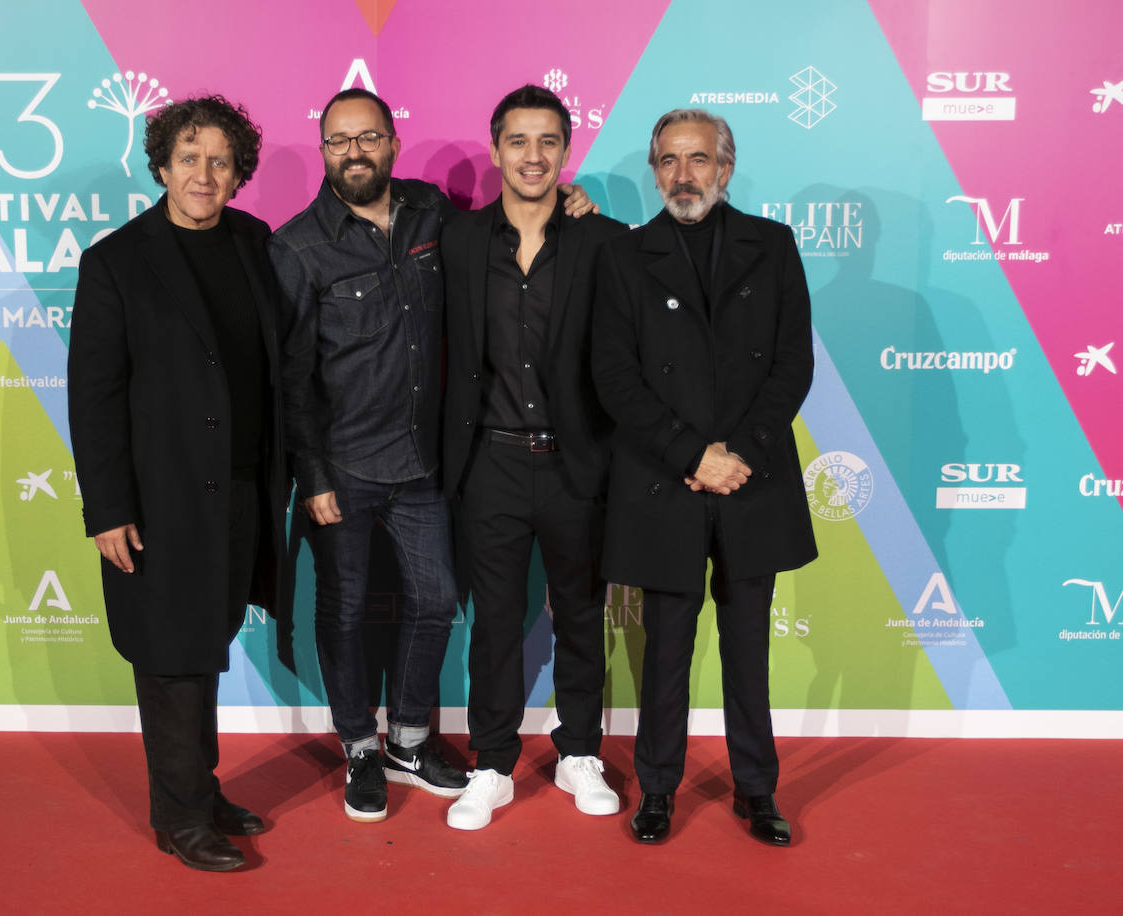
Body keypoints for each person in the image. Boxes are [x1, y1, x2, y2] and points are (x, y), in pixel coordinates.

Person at [269, 88, 596, 824]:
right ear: (324, 152)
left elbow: (518, 221)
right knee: (346, 610)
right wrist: (312, 476)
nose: (355, 151)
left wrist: (571, 206)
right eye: (339, 141)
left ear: (391, 141)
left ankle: (410, 739)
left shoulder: (433, 216)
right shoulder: (295, 246)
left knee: (438, 601)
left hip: (426, 464)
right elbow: (290, 378)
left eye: (370, 137)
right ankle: (359, 745)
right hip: (343, 469)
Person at [68, 95, 286, 871]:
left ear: (238, 174)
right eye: (189, 157)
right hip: (157, 501)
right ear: (161, 165)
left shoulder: (256, 243)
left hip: (240, 492)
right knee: (168, 654)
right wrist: (109, 508)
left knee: (207, 643)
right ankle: (181, 818)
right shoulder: (116, 262)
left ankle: (202, 787)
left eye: (220, 160)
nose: (204, 173)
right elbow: (92, 397)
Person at [591, 108, 818, 846]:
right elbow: (615, 377)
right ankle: (656, 789)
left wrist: (735, 455)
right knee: (665, 651)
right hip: (667, 482)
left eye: (698, 160)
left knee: (749, 651)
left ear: (726, 167)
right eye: (667, 161)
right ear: (653, 170)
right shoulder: (626, 256)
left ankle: (757, 789)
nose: (682, 176)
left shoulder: (774, 246)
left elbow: (792, 365)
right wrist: (694, 456)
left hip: (752, 481)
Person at [439, 85, 626, 831]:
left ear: (566, 153)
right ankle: (491, 764)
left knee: (581, 613)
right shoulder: (457, 240)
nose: (533, 156)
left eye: (548, 141)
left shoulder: (605, 241)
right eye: (518, 141)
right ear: (495, 150)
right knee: (494, 622)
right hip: (490, 463)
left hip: (578, 463)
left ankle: (580, 750)